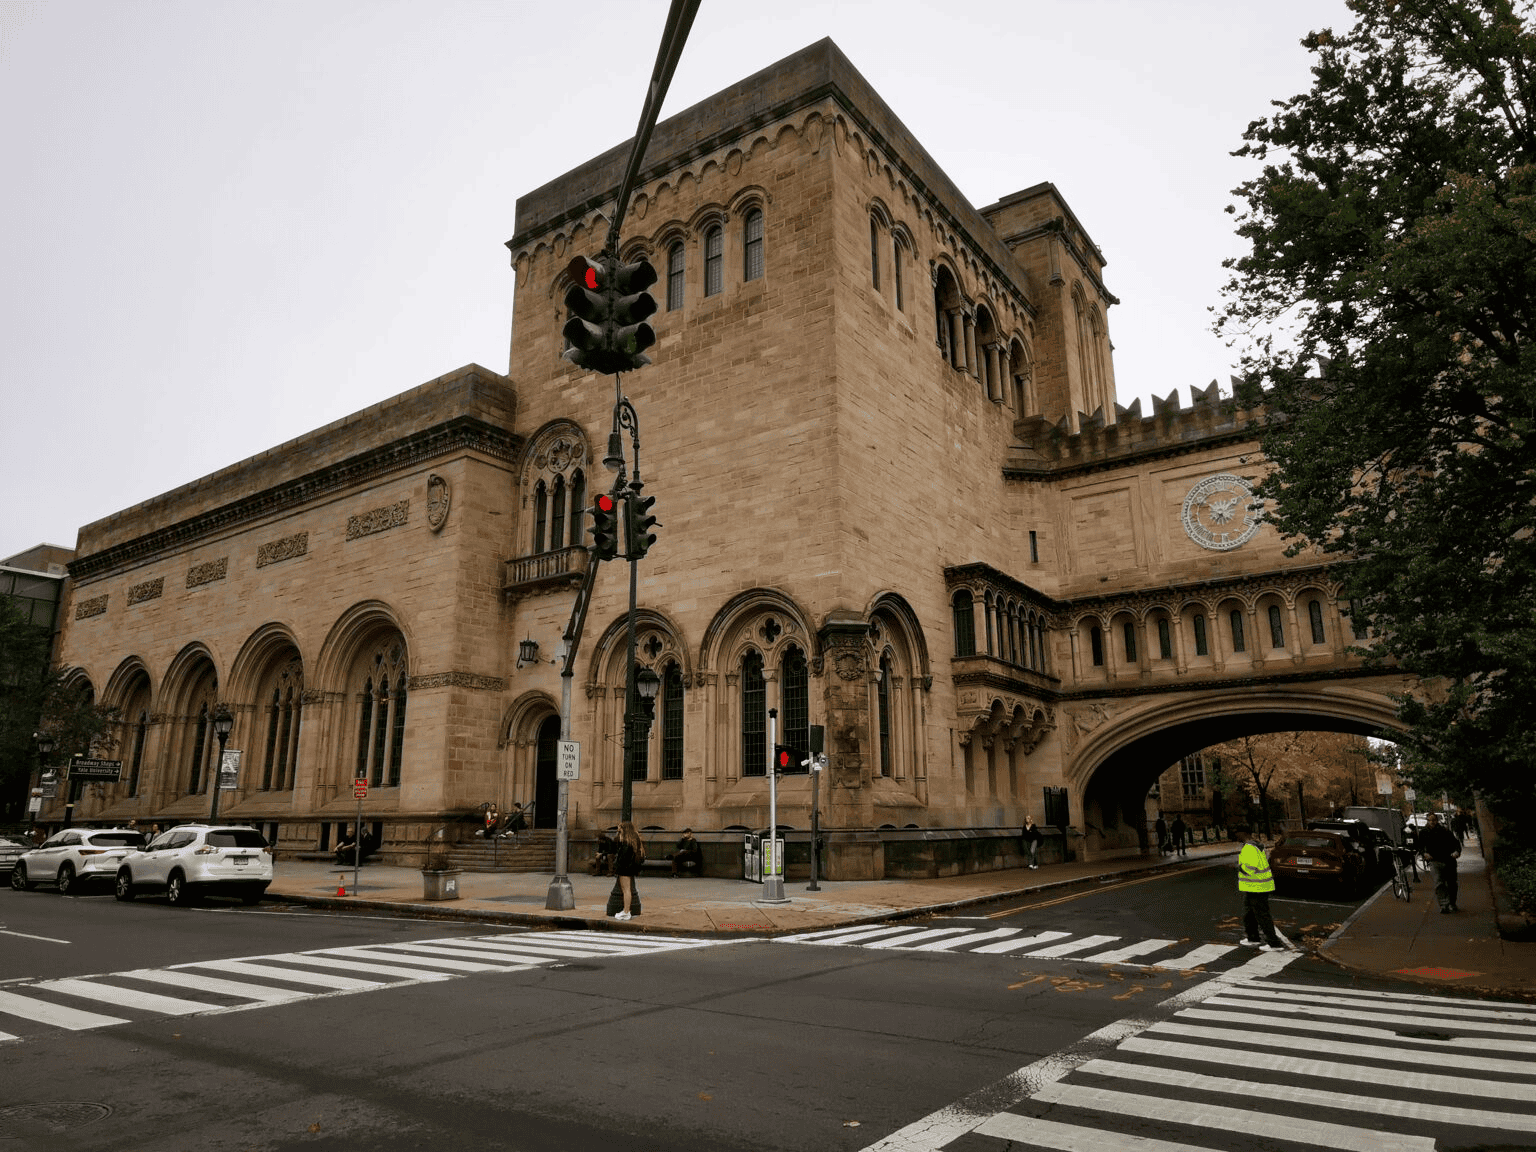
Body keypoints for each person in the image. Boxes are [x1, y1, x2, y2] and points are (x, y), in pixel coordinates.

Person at [1238, 830, 1286, 951]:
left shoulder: (1249, 848)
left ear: (1242, 834)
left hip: (1257, 887)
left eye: (1236, 834)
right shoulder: (1256, 846)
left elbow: (1250, 868)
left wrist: (1240, 867)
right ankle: (1253, 938)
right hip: (1255, 886)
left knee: (1262, 916)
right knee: (1249, 914)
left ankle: (1274, 943)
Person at [1419, 811, 1462, 913]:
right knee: (1439, 883)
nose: (1432, 822)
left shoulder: (1444, 830)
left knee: (1452, 883)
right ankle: (1444, 905)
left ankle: (1452, 903)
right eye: (1430, 820)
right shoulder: (1424, 832)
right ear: (1427, 821)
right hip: (1434, 860)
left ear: (1437, 820)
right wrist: (1424, 853)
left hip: (1448, 860)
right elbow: (1420, 846)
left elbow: (1456, 843)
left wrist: (1456, 852)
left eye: (1434, 820)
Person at [613, 821, 645, 920]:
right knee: (627, 889)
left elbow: (622, 857)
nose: (619, 832)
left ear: (625, 830)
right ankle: (626, 911)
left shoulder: (626, 843)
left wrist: (617, 866)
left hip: (624, 869)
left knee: (626, 890)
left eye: (620, 830)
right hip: (630, 868)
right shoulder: (634, 840)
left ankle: (626, 911)